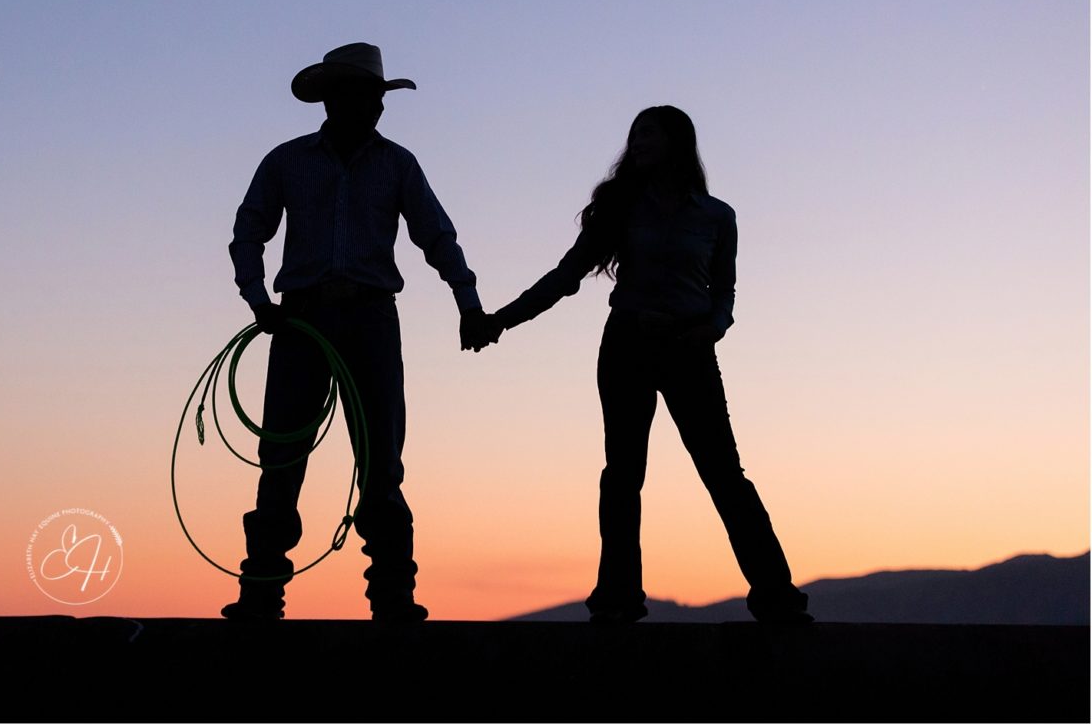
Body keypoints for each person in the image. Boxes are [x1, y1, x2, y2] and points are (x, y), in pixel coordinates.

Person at [467, 106, 812, 624]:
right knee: (624, 474)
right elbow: (567, 275)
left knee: (723, 473)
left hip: (691, 351)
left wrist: (713, 328)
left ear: (678, 141)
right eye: (633, 134)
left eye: (647, 132)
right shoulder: (623, 208)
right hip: (628, 344)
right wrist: (501, 320)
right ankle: (617, 598)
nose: (636, 142)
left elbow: (725, 293)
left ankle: (777, 597)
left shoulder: (718, 216)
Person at [225, 42, 492, 622]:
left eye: (376, 97)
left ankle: (389, 594)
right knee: (283, 453)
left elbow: (436, 236)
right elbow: (249, 230)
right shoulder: (288, 161)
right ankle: (265, 590)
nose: (373, 106)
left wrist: (467, 301)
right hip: (301, 318)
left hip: (366, 316)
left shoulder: (395, 164)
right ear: (333, 99)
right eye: (363, 95)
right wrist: (258, 299)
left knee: (379, 458)